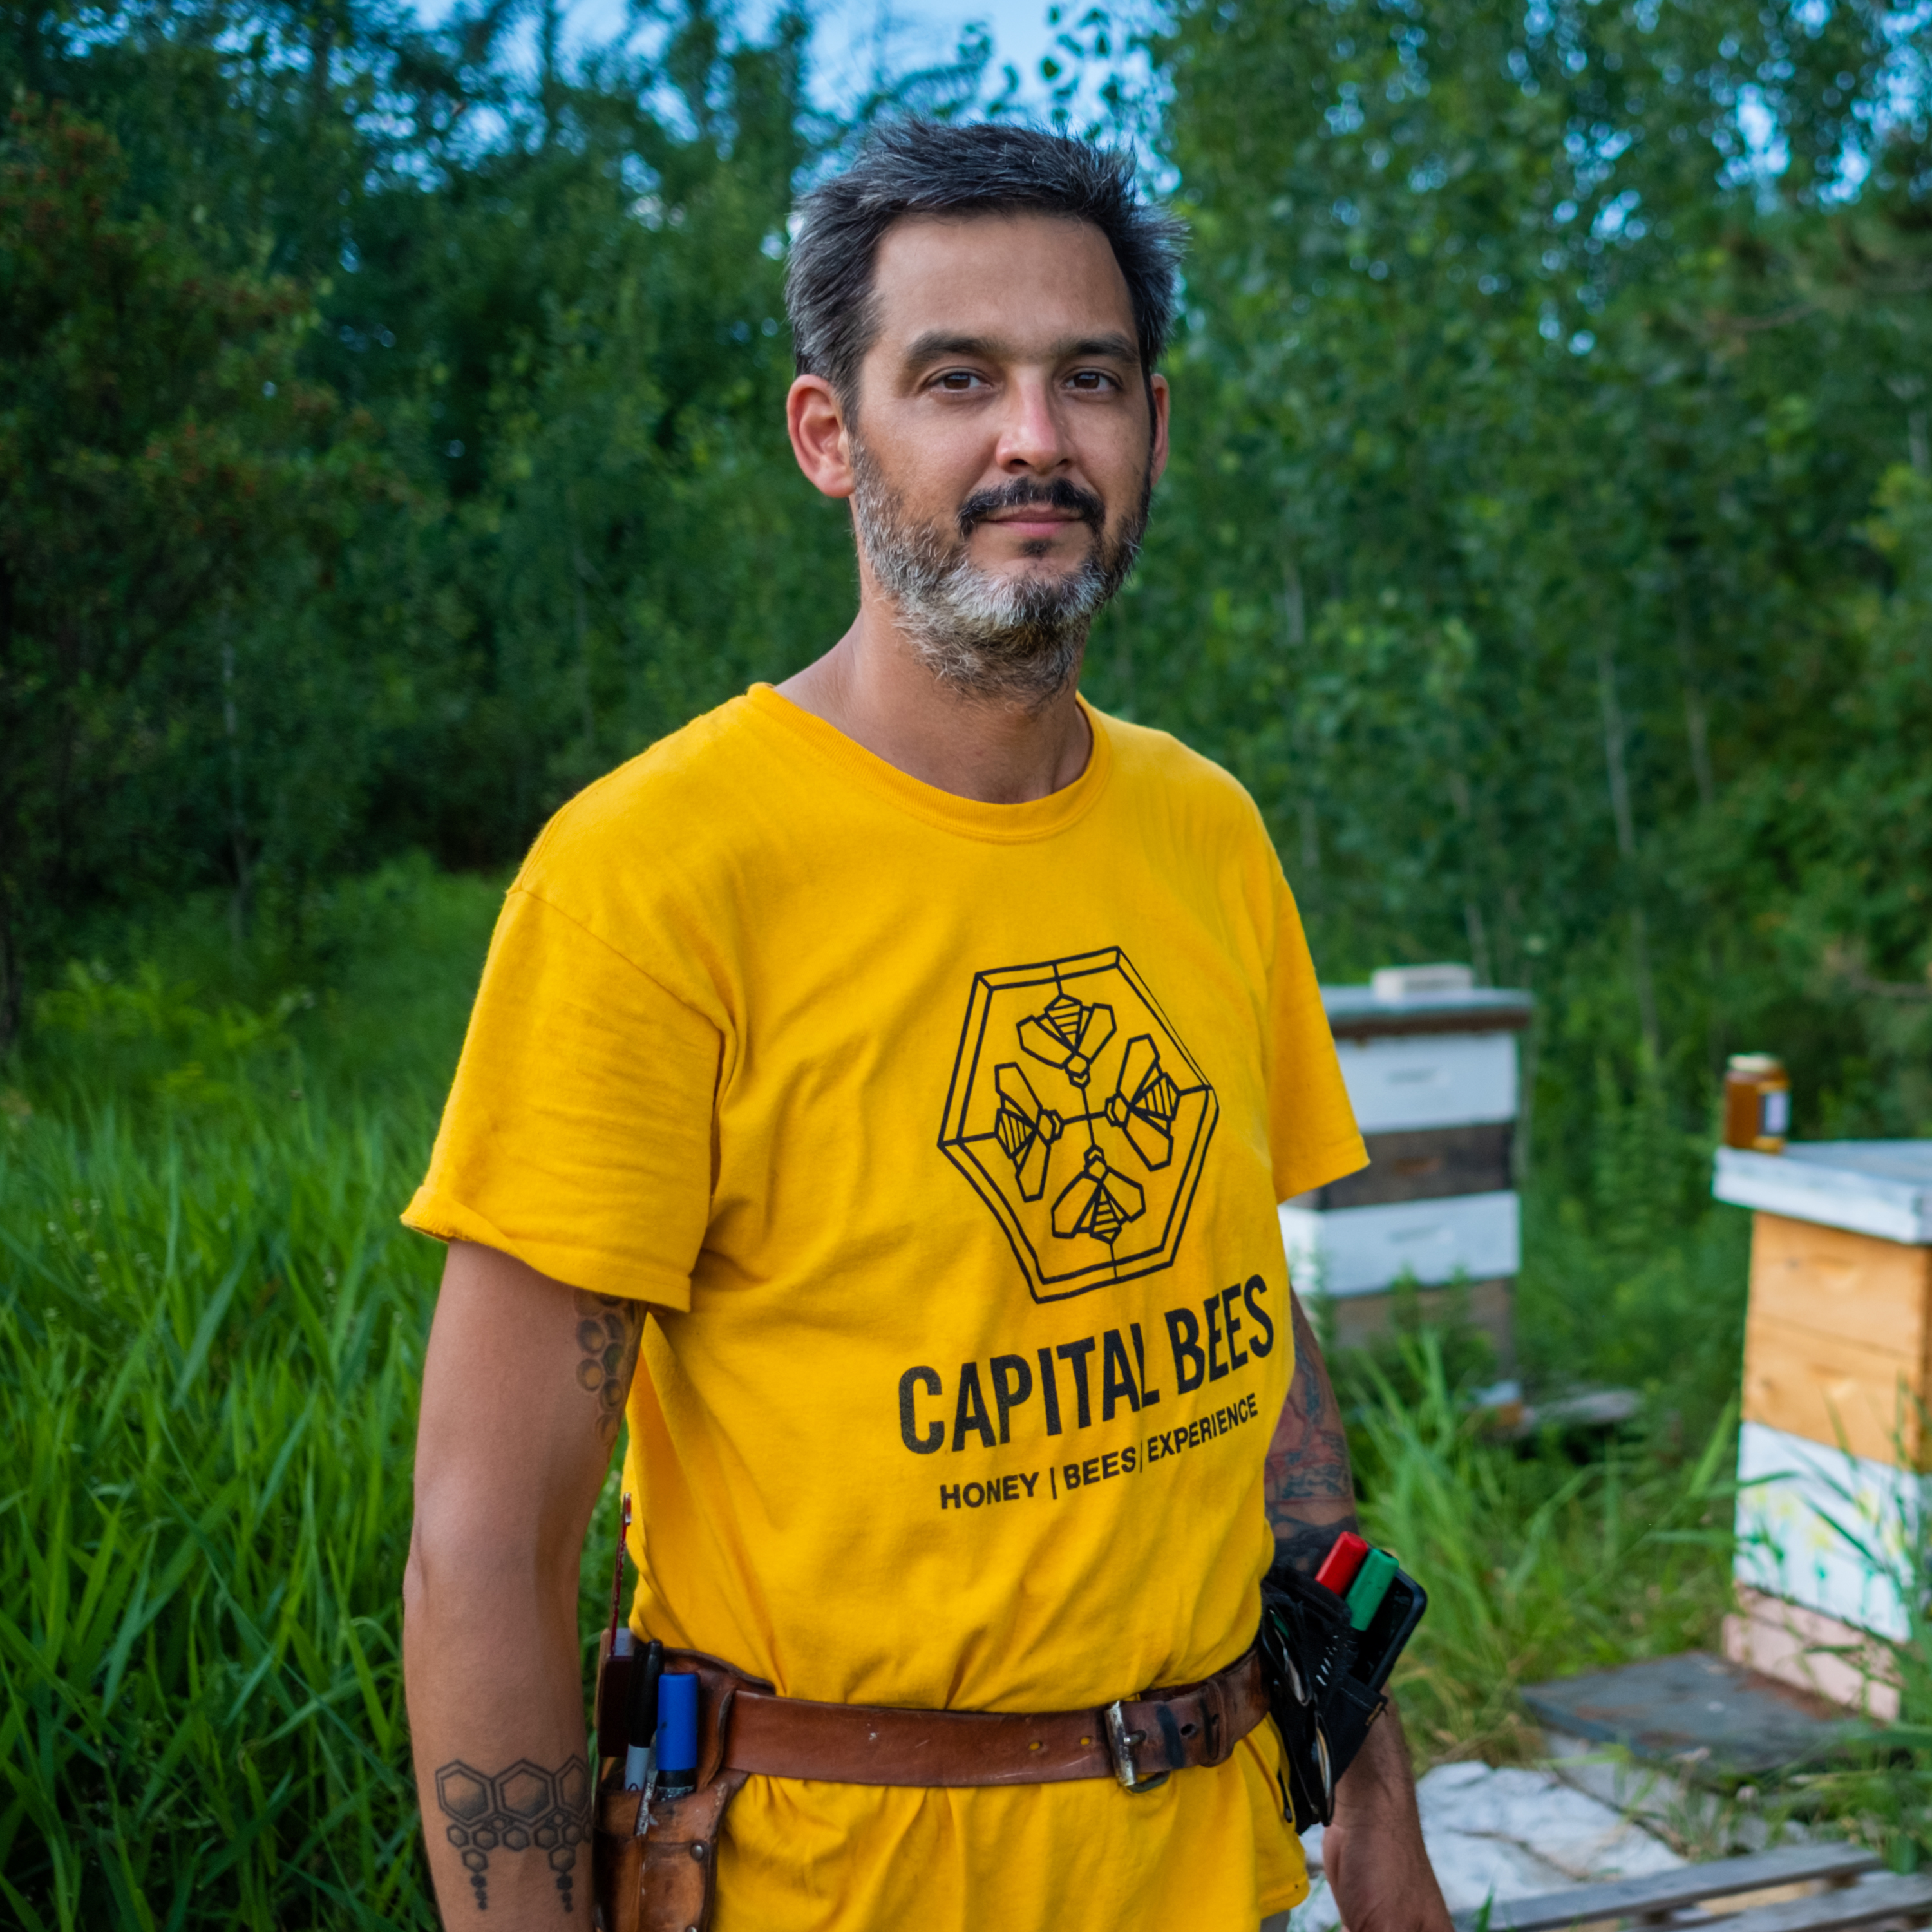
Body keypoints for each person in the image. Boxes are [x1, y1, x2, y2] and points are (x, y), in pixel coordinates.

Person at [397, 120, 1447, 1931]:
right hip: (822, 1879)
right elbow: (485, 1548)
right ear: (832, 435)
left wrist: (1365, 1786)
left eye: (1088, 380)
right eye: (955, 378)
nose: (1032, 438)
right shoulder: (655, 876)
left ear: (1153, 434)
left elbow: (1241, 1325)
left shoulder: (1204, 830)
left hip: (1206, 1866)